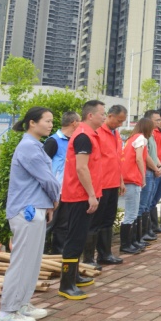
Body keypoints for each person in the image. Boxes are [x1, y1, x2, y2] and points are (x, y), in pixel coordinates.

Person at [0, 107, 62, 321]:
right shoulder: (29, 148)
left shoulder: (35, 146)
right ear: (32, 123)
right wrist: (55, 199)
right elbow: (48, 180)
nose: (51, 125)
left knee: (32, 261)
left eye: (52, 121)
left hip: (35, 207)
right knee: (22, 262)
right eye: (47, 121)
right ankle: (6, 312)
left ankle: (21, 304)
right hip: (26, 210)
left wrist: (48, 204)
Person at [57, 100, 106, 300]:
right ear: (90, 116)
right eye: (102, 113)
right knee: (74, 238)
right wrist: (91, 195)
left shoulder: (90, 135)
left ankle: (74, 275)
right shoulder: (84, 136)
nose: (105, 116)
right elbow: (81, 168)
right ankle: (66, 284)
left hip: (84, 193)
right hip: (80, 195)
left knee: (79, 236)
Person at [88, 104, 127, 268]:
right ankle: (89, 258)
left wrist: (120, 180)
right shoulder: (97, 133)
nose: (120, 124)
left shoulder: (116, 134)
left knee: (108, 220)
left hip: (113, 183)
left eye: (122, 122)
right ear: (109, 116)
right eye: (118, 120)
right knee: (95, 222)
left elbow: (116, 159)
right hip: (100, 184)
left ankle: (105, 254)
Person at [43, 112, 79, 255]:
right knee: (48, 225)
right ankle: (42, 256)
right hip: (54, 191)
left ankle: (58, 255)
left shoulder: (75, 141)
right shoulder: (53, 141)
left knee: (63, 226)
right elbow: (43, 167)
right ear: (74, 123)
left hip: (68, 191)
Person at [120, 117, 154, 255]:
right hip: (133, 178)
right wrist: (142, 175)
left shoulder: (131, 138)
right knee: (131, 213)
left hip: (127, 177)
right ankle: (126, 244)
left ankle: (132, 241)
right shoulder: (141, 139)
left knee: (132, 212)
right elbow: (139, 158)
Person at [136, 110, 161, 242]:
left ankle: (146, 230)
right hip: (147, 172)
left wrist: (160, 165)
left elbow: (154, 154)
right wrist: (155, 168)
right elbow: (144, 156)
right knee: (143, 204)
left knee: (148, 203)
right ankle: (140, 235)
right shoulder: (143, 137)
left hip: (153, 171)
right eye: (156, 120)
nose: (159, 122)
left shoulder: (151, 135)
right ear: (148, 120)